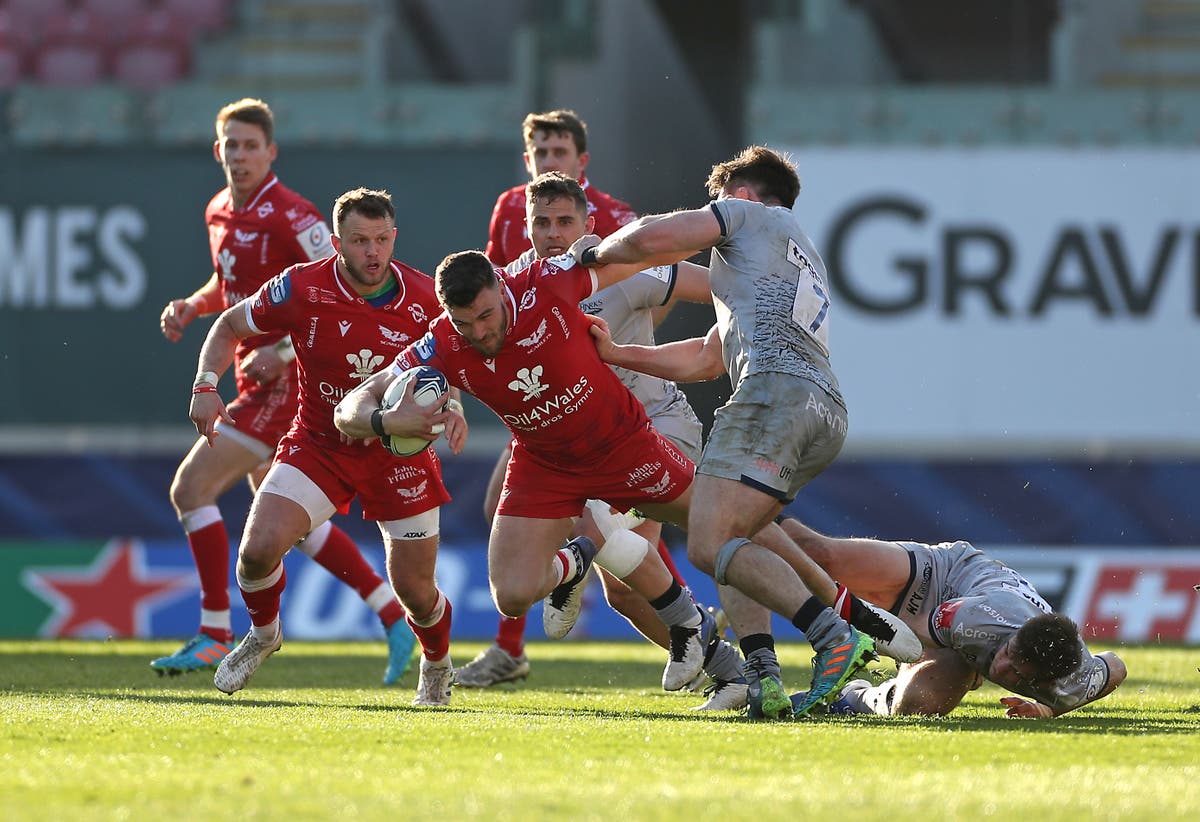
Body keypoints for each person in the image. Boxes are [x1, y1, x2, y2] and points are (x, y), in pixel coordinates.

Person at [337, 243, 918, 720]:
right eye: (467, 323)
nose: (482, 333)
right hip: (543, 465)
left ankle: (831, 630)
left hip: (625, 446)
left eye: (488, 317)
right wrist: (387, 420)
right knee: (511, 593)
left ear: (501, 291)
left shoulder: (551, 282)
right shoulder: (442, 342)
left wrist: (750, 283)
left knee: (725, 531)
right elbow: (351, 407)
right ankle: (589, 551)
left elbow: (643, 256)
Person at [576, 145, 923, 718]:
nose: (715, 210)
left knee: (710, 543)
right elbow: (707, 358)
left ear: (738, 195)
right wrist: (618, 354)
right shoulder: (796, 254)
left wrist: (594, 254)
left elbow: (647, 240)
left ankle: (834, 636)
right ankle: (764, 672)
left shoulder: (747, 216)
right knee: (737, 538)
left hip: (770, 396)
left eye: (719, 201)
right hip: (823, 410)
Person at [455, 173, 744, 710]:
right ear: (526, 227)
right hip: (590, 444)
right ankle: (729, 671)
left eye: (566, 221)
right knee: (625, 592)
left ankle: (832, 621)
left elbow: (718, 290)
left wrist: (759, 325)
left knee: (724, 534)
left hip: (658, 426)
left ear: (589, 224)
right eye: (542, 222)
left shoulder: (615, 269)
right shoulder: (510, 290)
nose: (554, 233)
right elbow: (452, 345)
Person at [156, 98, 417, 684]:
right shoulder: (218, 210)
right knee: (285, 518)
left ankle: (214, 629)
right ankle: (393, 615)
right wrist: (193, 306)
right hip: (251, 369)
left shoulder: (293, 214)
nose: (241, 156)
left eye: (252, 146)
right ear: (217, 150)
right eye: (232, 145)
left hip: (287, 379)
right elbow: (229, 286)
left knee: (192, 487)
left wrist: (281, 351)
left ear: (270, 152)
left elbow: (339, 283)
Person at [189, 188, 465, 706]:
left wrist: (452, 404)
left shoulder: (428, 299)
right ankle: (265, 635)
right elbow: (228, 324)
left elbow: (457, 363)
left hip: (398, 454)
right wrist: (206, 385)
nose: (372, 252)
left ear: (394, 237)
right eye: (359, 241)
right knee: (255, 553)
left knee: (416, 592)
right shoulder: (301, 286)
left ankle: (437, 663)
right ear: (335, 242)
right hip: (320, 445)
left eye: (382, 239)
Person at [777, 517, 1128, 718]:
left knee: (915, 708)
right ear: (1013, 637)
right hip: (948, 574)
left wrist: (1047, 710)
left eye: (1017, 674)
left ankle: (856, 697)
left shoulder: (1070, 684)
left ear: (1045, 681)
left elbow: (1114, 666)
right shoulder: (975, 620)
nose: (1001, 670)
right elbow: (905, 636)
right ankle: (748, 509)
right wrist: (856, 634)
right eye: (1006, 653)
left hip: (962, 635)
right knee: (820, 555)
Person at [484, 109, 635, 268]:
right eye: (541, 153)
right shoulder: (509, 204)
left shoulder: (613, 214)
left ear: (582, 161)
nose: (549, 162)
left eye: (560, 152)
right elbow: (495, 276)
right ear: (528, 161)